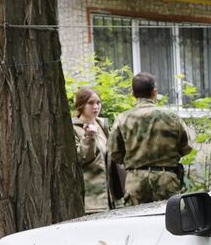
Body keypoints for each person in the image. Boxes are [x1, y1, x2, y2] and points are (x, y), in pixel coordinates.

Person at [108, 73, 193, 205]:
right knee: (167, 221)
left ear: (133, 93)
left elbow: (114, 153)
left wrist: (132, 160)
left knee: (136, 222)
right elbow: (187, 147)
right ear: (154, 92)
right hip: (166, 179)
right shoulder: (172, 117)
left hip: (135, 180)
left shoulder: (123, 119)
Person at [72, 87, 113, 212]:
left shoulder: (103, 125)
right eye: (90, 103)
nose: (95, 106)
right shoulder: (74, 128)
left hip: (113, 198)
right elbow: (80, 159)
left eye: (98, 102)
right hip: (92, 200)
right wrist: (89, 137)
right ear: (81, 105)